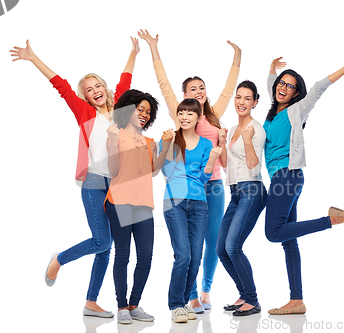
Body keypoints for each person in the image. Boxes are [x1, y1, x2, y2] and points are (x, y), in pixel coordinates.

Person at [10, 38, 140, 318]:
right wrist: (34, 59)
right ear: (85, 97)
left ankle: (90, 303)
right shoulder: (84, 113)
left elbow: (125, 81)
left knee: (106, 247)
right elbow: (62, 87)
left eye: (97, 86)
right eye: (89, 90)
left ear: (105, 88)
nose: (95, 91)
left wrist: (133, 52)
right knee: (102, 242)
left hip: (116, 185)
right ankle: (59, 260)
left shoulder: (120, 109)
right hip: (94, 182)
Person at [263, 53, 344, 315]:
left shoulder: (297, 110)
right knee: (289, 240)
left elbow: (319, 87)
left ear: (297, 94)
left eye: (289, 86)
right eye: (281, 84)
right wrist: (273, 68)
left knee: (273, 233)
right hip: (286, 179)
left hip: (285, 177)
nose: (283, 87)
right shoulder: (273, 112)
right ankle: (297, 300)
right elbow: (272, 82)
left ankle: (332, 220)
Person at [138, 29, 241, 312]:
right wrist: (153, 47)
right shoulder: (179, 111)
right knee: (188, 248)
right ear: (185, 97)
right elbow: (163, 84)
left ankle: (206, 289)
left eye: (202, 88)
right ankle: (190, 295)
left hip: (213, 183)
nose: (199, 92)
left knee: (211, 241)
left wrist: (238, 56)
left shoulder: (214, 112)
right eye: (193, 89)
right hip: (184, 187)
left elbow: (228, 89)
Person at [104, 89, 173, 324]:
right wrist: (113, 142)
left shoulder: (149, 141)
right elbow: (113, 171)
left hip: (143, 204)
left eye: (147, 111)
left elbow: (154, 171)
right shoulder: (116, 135)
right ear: (128, 109)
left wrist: (165, 146)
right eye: (139, 109)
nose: (144, 114)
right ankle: (121, 306)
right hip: (119, 201)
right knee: (122, 255)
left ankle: (134, 304)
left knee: (145, 256)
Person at [160, 99, 222, 323]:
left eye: (189, 113)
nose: (184, 117)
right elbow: (166, 170)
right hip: (174, 201)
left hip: (199, 203)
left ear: (198, 117)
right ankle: (176, 304)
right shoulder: (169, 138)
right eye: (181, 112)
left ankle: (184, 302)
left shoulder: (206, 144)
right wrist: (166, 145)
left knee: (195, 257)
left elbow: (205, 177)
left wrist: (213, 158)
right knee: (183, 255)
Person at [216, 80, 267, 317]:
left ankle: (253, 300)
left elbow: (254, 168)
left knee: (233, 246)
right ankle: (244, 294)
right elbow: (226, 164)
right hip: (236, 193)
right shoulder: (235, 128)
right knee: (221, 249)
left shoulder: (256, 129)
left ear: (255, 102)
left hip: (252, 191)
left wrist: (247, 141)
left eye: (247, 98)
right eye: (239, 97)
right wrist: (224, 143)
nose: (241, 102)